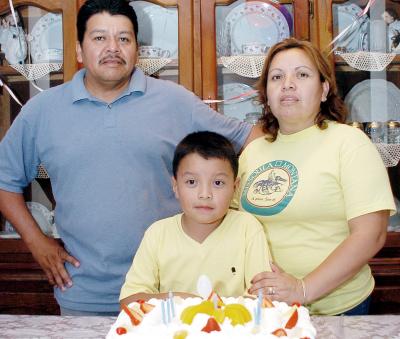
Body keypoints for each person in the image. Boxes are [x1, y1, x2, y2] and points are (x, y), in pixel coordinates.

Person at [0, 0, 262, 316]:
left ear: (137, 48)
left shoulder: (174, 101)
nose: (113, 48)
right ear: (79, 50)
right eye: (99, 38)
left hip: (169, 297)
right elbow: (5, 179)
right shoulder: (42, 111)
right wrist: (36, 241)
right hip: (84, 293)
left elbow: (250, 139)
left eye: (124, 39)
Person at [234, 38, 396, 315]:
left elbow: (372, 234)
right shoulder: (252, 152)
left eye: (302, 74)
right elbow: (232, 226)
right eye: (276, 77)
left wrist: (302, 289)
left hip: (338, 309)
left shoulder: (350, 143)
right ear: (266, 94)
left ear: (323, 90)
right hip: (268, 309)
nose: (287, 84)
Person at [120, 131, 271, 305]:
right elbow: (129, 301)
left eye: (218, 183)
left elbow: (263, 298)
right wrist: (181, 301)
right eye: (192, 182)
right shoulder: (157, 234)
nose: (205, 194)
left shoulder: (247, 228)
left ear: (235, 187)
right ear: (175, 186)